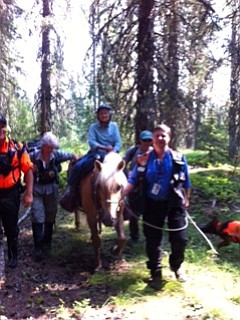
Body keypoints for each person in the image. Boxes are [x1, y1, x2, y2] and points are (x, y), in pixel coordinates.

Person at [122, 124, 191, 290]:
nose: (160, 138)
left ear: (169, 138)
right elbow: (133, 179)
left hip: (174, 202)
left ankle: (176, 265)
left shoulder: (178, 158)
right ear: (152, 139)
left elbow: (186, 181)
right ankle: (156, 273)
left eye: (164, 136)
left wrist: (187, 199)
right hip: (152, 204)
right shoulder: (144, 158)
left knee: (180, 239)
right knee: (153, 241)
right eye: (157, 136)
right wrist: (122, 194)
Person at [62, 104, 122, 211]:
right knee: (78, 167)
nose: (104, 115)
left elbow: (118, 142)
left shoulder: (114, 127)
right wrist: (104, 147)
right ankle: (71, 192)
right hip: (96, 154)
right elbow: (92, 142)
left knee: (123, 170)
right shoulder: (93, 127)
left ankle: (125, 198)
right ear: (98, 116)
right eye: (102, 113)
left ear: (109, 115)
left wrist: (114, 150)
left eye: (106, 113)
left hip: (112, 155)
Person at [29, 132, 78, 261]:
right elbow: (23, 164)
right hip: (36, 188)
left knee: (50, 213)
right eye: (48, 146)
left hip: (51, 188)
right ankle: (38, 247)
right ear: (43, 145)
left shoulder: (56, 155)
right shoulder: (33, 155)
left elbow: (70, 155)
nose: (50, 149)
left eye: (53, 147)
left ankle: (47, 242)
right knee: (37, 214)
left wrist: (75, 158)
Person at [0, 115, 33, 268]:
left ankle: (13, 257)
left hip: (11, 193)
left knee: (11, 227)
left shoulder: (18, 148)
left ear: (6, 127)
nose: (0, 129)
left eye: (2, 125)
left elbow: (28, 170)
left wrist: (29, 193)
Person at [123, 130, 153, 243]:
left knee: (149, 211)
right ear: (140, 140)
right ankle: (134, 236)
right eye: (145, 140)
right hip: (134, 185)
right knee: (133, 212)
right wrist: (128, 174)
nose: (147, 142)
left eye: (149, 140)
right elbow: (122, 163)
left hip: (148, 185)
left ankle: (149, 235)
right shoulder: (133, 150)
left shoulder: (154, 152)